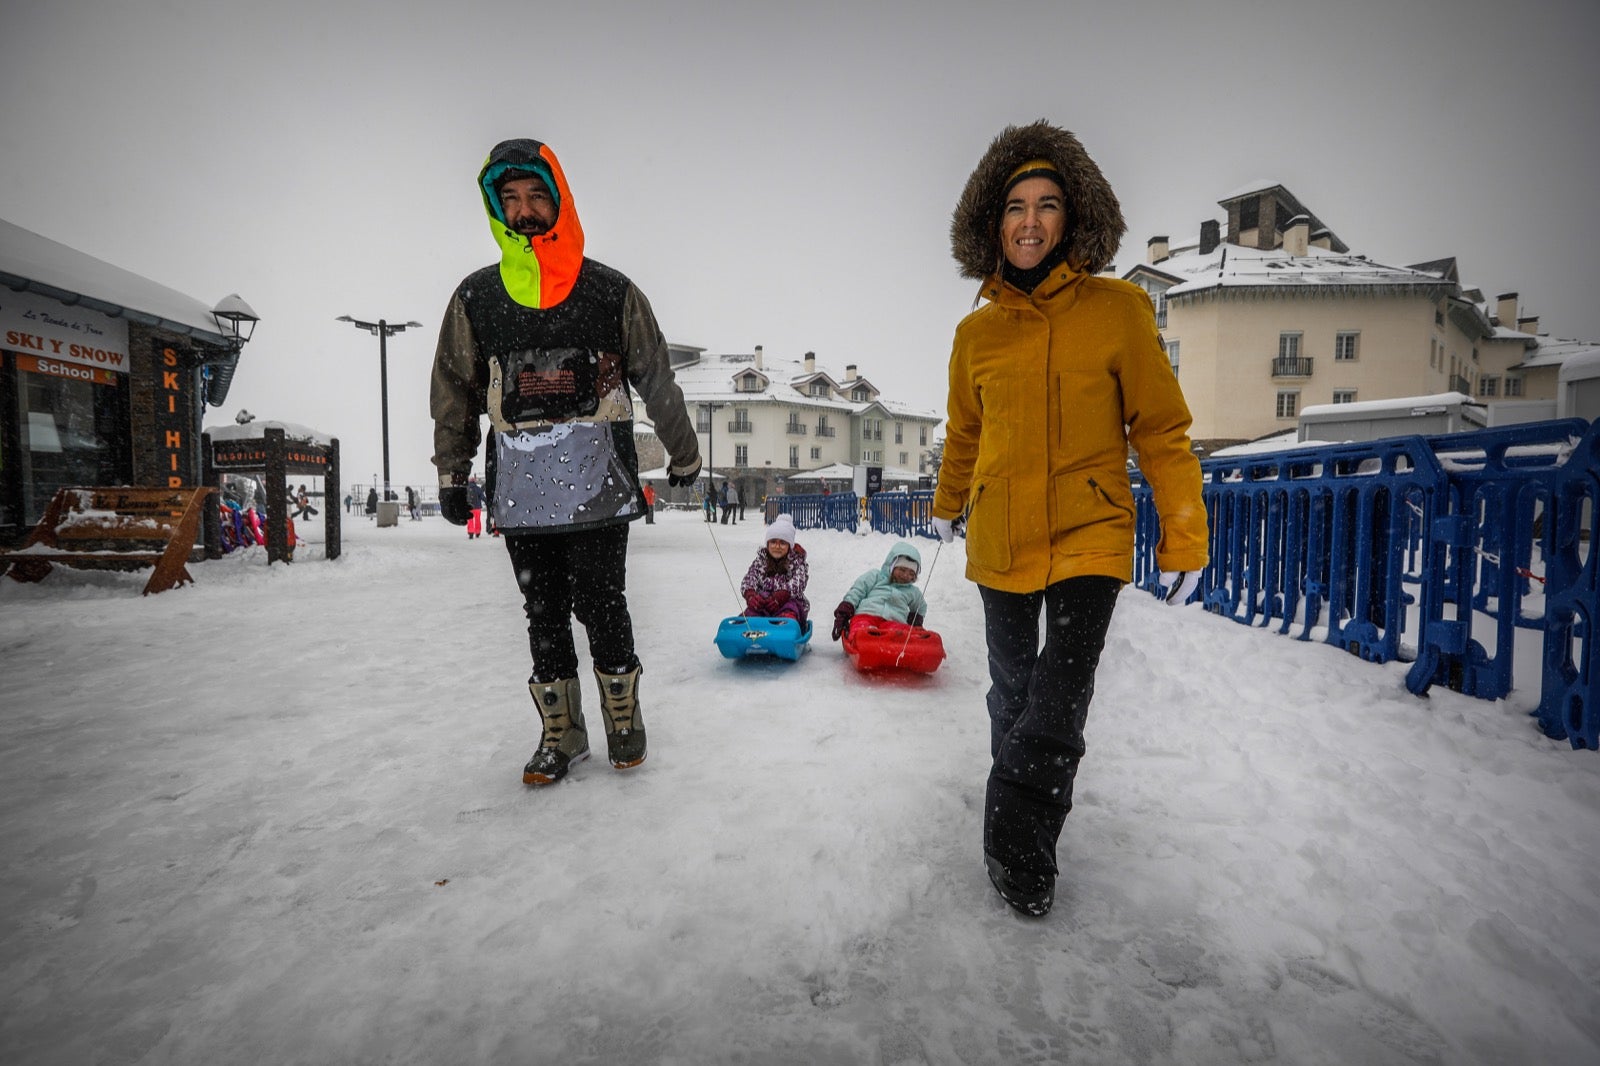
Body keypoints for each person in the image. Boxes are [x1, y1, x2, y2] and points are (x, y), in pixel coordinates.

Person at [933, 120, 1208, 917]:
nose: (1028, 220)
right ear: (992, 223)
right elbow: (965, 434)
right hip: (999, 532)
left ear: (1073, 217)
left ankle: (1018, 848)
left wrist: (1184, 530)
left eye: (1046, 204)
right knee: (1015, 693)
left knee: (1059, 696)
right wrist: (949, 507)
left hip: (1092, 531)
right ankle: (1017, 801)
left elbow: (1159, 427)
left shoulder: (1119, 311)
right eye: (1014, 205)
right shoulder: (974, 334)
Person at [430, 136, 701, 787]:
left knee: (604, 604)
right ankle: (563, 730)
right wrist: (450, 471)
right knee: (543, 612)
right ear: (498, 209)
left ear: (558, 200)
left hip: (598, 486)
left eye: (536, 196)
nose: (525, 210)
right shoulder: (477, 298)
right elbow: (454, 388)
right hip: (521, 493)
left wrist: (684, 456)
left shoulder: (611, 292)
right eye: (511, 199)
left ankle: (622, 717)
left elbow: (656, 377)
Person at [830, 541, 929, 640]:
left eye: (911, 573)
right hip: (866, 615)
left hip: (894, 621)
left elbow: (921, 606)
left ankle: (896, 644)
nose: (905, 575)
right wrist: (844, 613)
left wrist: (915, 622)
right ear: (892, 566)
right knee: (862, 629)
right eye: (902, 570)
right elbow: (857, 592)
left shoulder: (913, 592)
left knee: (900, 634)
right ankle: (864, 638)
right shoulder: (875, 576)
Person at [740, 513, 809, 623]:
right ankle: (746, 627)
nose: (777, 547)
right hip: (764, 603)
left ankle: (785, 629)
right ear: (767, 544)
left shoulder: (796, 561)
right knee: (751, 613)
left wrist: (784, 594)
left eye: (782, 543)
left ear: (789, 546)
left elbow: (799, 581)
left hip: (788, 602)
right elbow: (750, 578)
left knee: (790, 610)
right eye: (773, 542)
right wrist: (751, 594)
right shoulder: (761, 561)